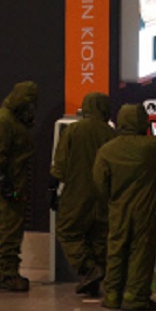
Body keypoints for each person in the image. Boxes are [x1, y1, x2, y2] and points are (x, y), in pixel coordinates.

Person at [93, 102, 156, 311]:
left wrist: (113, 199)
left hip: (118, 209)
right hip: (146, 210)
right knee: (141, 252)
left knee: (116, 250)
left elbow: (99, 183)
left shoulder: (107, 151)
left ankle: (113, 295)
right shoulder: (153, 147)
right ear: (144, 122)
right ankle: (135, 297)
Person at [49, 91, 116, 297]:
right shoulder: (111, 134)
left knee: (68, 231)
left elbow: (59, 165)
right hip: (104, 195)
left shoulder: (73, 130)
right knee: (99, 237)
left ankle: (88, 269)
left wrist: (52, 191)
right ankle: (95, 279)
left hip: (76, 192)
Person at [0, 81, 39, 292]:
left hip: (10, 181)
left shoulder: (12, 119)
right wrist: (5, 184)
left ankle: (2, 271)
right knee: (9, 229)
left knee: (8, 228)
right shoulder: (3, 121)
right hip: (3, 183)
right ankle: (7, 274)